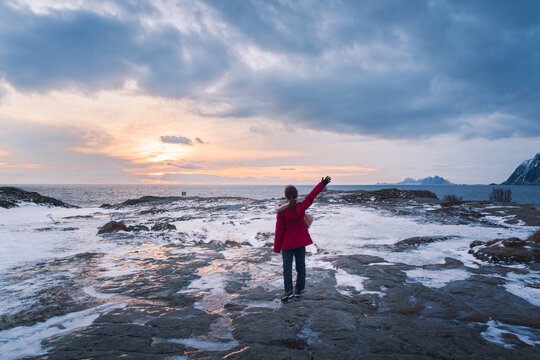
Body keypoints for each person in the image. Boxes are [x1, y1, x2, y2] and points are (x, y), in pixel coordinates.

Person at [274, 176, 331, 301]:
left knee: (287, 269)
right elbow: (311, 196)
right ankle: (298, 290)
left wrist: (277, 248)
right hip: (300, 242)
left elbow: (279, 232)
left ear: (285, 196)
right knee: (301, 267)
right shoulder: (301, 206)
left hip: (287, 244)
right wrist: (322, 184)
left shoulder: (281, 211)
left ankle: (288, 291)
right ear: (296, 195)